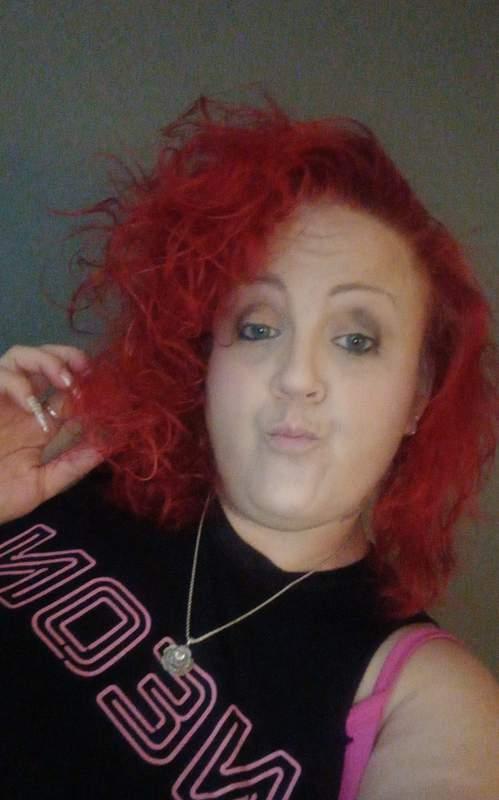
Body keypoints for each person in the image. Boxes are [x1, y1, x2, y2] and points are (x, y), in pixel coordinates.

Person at [0, 97, 498, 800]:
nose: (296, 376)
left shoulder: (427, 701)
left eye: (356, 339)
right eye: (258, 327)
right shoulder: (63, 460)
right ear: (207, 357)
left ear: (418, 397)